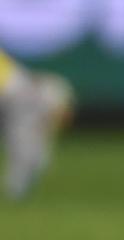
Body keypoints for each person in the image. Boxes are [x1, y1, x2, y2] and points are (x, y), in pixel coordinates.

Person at [0, 48, 73, 200]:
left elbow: (62, 116)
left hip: (21, 105)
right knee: (27, 154)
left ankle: (16, 191)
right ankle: (15, 191)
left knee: (35, 158)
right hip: (17, 105)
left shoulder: (47, 89)